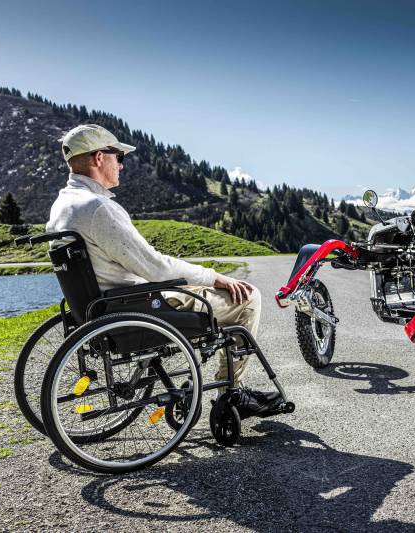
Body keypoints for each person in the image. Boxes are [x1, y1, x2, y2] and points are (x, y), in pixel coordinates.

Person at [46, 124, 279, 416]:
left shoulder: (62, 206)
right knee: (247, 297)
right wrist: (213, 276)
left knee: (192, 288)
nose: (121, 165)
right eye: (119, 157)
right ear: (98, 158)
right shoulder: (96, 208)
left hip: (102, 307)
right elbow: (155, 266)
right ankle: (232, 391)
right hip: (137, 307)